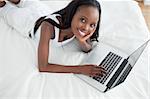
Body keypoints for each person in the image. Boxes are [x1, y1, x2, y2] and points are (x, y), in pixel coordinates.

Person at [0, 0, 106, 77]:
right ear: (73, 13)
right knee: (3, 6)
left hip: (40, 10)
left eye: (92, 25)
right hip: (27, 21)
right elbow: (43, 67)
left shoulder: (78, 28)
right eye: (83, 20)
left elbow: (87, 48)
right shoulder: (48, 27)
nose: (86, 28)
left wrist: (81, 39)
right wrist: (81, 69)